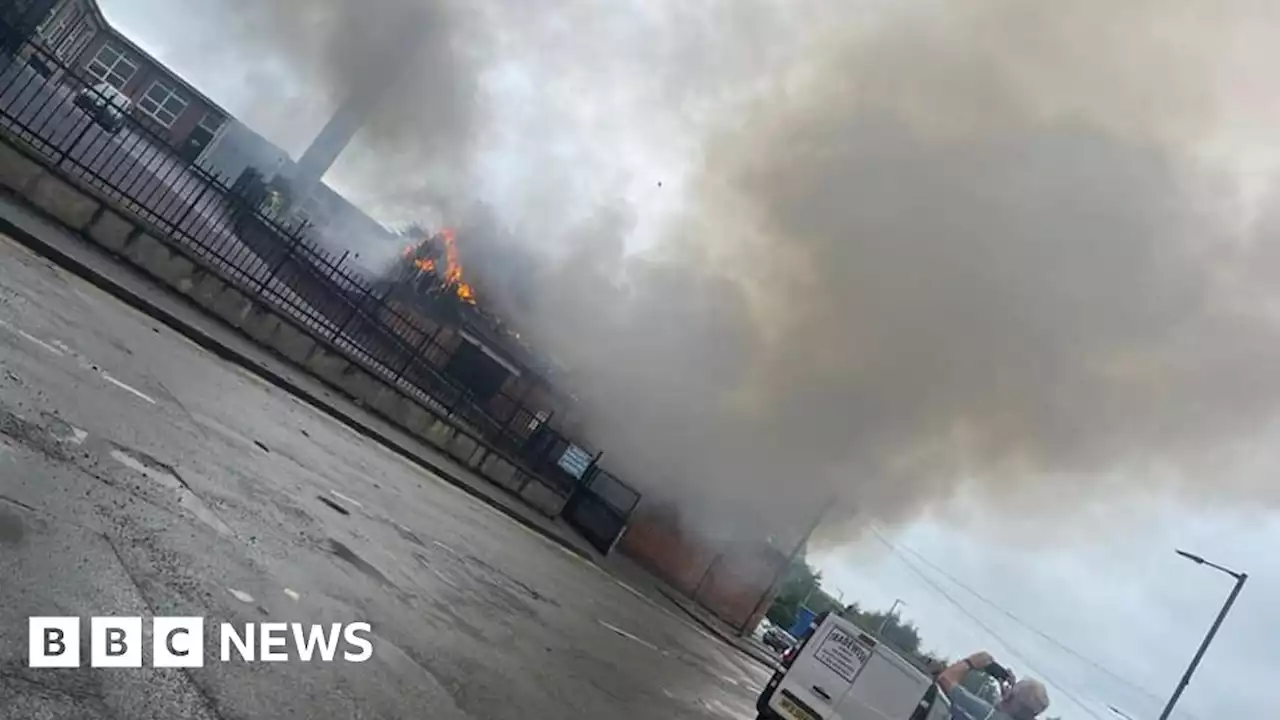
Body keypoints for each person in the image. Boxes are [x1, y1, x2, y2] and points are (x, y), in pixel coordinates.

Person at [936, 651, 1050, 720]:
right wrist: (1005, 701)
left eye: (1012, 690)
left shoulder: (987, 715)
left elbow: (945, 679)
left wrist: (971, 662)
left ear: (1010, 698)